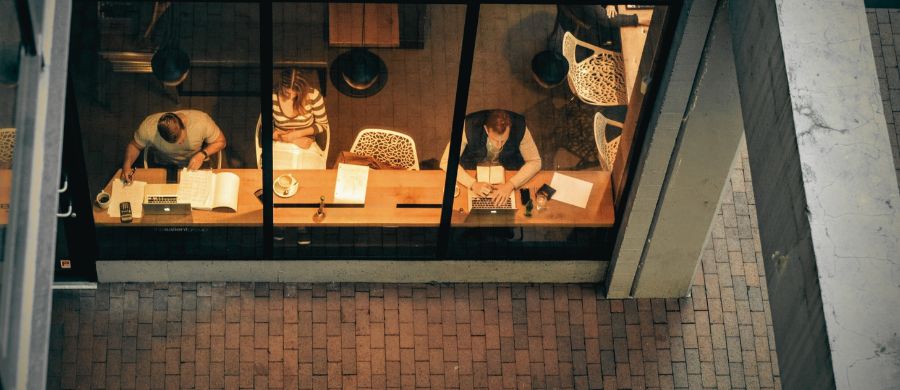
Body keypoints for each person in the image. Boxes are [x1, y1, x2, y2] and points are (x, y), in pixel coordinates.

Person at [440, 110, 541, 206]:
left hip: (507, 171)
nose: (499, 145)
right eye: (495, 140)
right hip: (474, 170)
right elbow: (446, 162)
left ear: (509, 128)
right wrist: (472, 184)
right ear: (486, 129)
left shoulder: (520, 127)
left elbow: (535, 161)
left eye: (503, 140)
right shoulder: (468, 126)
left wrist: (511, 185)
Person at [120, 110, 227, 184]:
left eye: (182, 140)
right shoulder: (148, 127)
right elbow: (134, 146)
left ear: (184, 125)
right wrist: (126, 166)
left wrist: (202, 154)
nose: (180, 144)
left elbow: (221, 142)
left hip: (196, 163)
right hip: (164, 165)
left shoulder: (202, 122)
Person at [271, 68, 329, 157]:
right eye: (286, 92)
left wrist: (297, 134)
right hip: (279, 141)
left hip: (306, 140)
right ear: (280, 86)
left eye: (295, 94)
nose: (290, 97)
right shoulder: (272, 96)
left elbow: (323, 124)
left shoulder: (313, 95)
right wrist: (286, 138)